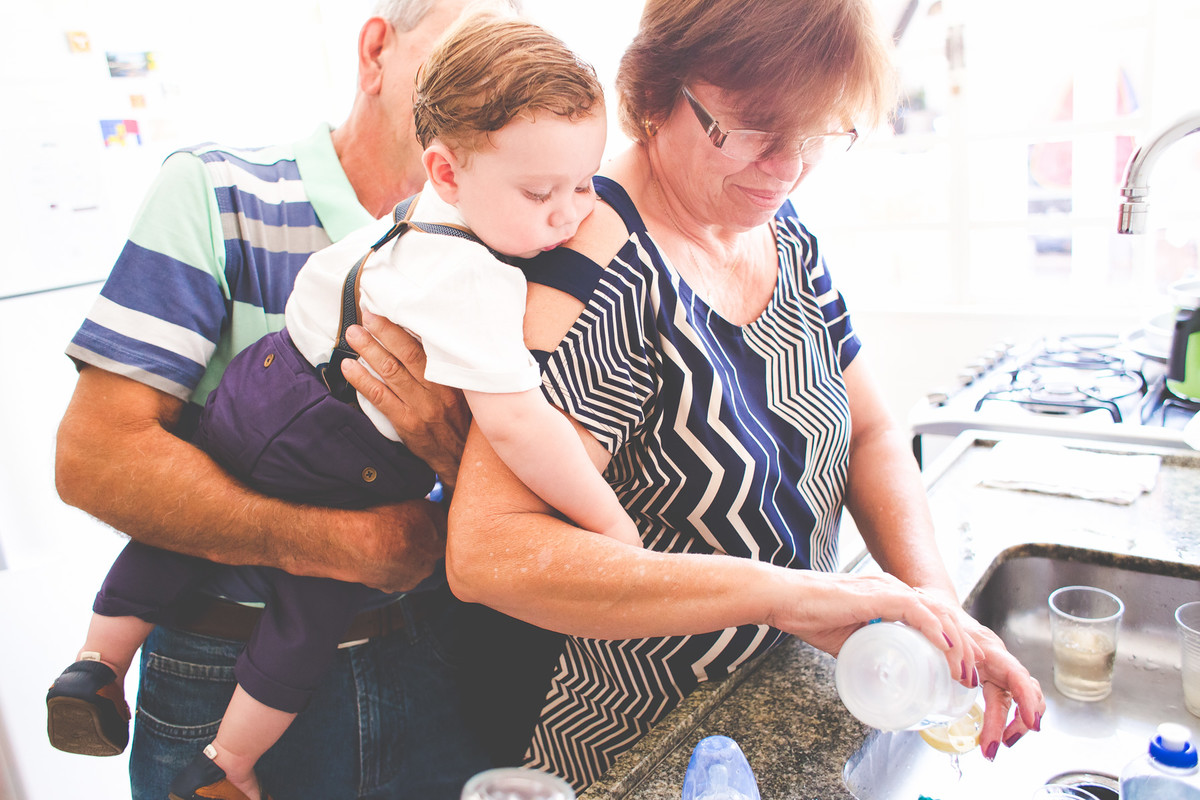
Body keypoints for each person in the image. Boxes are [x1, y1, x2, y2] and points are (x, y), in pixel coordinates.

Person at [380, 0, 1040, 792]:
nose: (788, 165)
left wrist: (938, 614)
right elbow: (489, 554)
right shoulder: (595, 271)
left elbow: (867, 430)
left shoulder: (776, 224)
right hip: (637, 739)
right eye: (754, 129)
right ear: (655, 96)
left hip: (770, 700)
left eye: (817, 131)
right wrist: (786, 598)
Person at [47, 13, 619, 800]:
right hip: (220, 655)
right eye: (463, 44)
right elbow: (95, 461)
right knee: (295, 619)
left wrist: (452, 450)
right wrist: (336, 541)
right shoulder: (218, 193)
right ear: (377, 49)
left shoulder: (529, 248)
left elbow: (508, 458)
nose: (494, 81)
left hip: (436, 655)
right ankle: (205, 748)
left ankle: (104, 668)